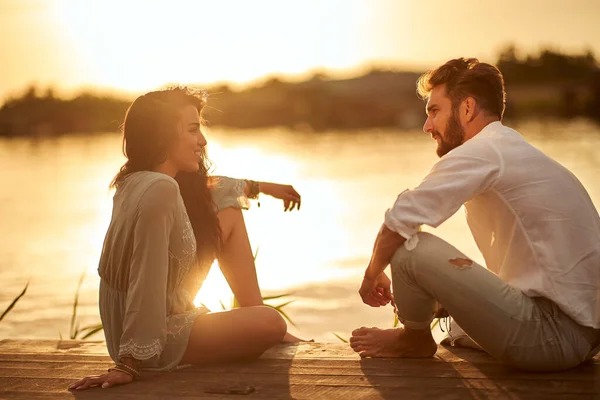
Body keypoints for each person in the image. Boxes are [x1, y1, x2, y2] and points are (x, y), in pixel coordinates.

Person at [350, 58, 600, 372]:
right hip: (585, 334)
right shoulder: (514, 151)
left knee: (409, 248)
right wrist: (441, 292)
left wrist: (372, 274)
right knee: (454, 330)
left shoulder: (482, 150)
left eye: (435, 111)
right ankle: (429, 323)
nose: (428, 126)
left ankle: (413, 340)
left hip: (554, 335)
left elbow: (399, 220)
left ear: (467, 108)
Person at [69, 87, 302, 391]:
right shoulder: (161, 189)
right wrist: (129, 361)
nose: (202, 141)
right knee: (270, 323)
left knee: (229, 212)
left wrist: (260, 186)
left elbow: (212, 188)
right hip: (151, 338)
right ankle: (253, 318)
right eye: (193, 130)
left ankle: (250, 312)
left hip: (140, 326)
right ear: (164, 135)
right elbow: (145, 274)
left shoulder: (135, 180)